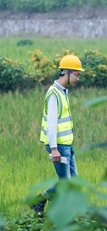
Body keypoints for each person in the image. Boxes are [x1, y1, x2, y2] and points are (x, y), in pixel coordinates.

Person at [30, 54, 84, 215]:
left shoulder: (63, 91)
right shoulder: (54, 93)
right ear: (66, 72)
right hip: (59, 146)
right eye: (76, 74)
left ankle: (41, 201)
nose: (78, 78)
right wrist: (54, 148)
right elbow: (51, 124)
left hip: (67, 144)